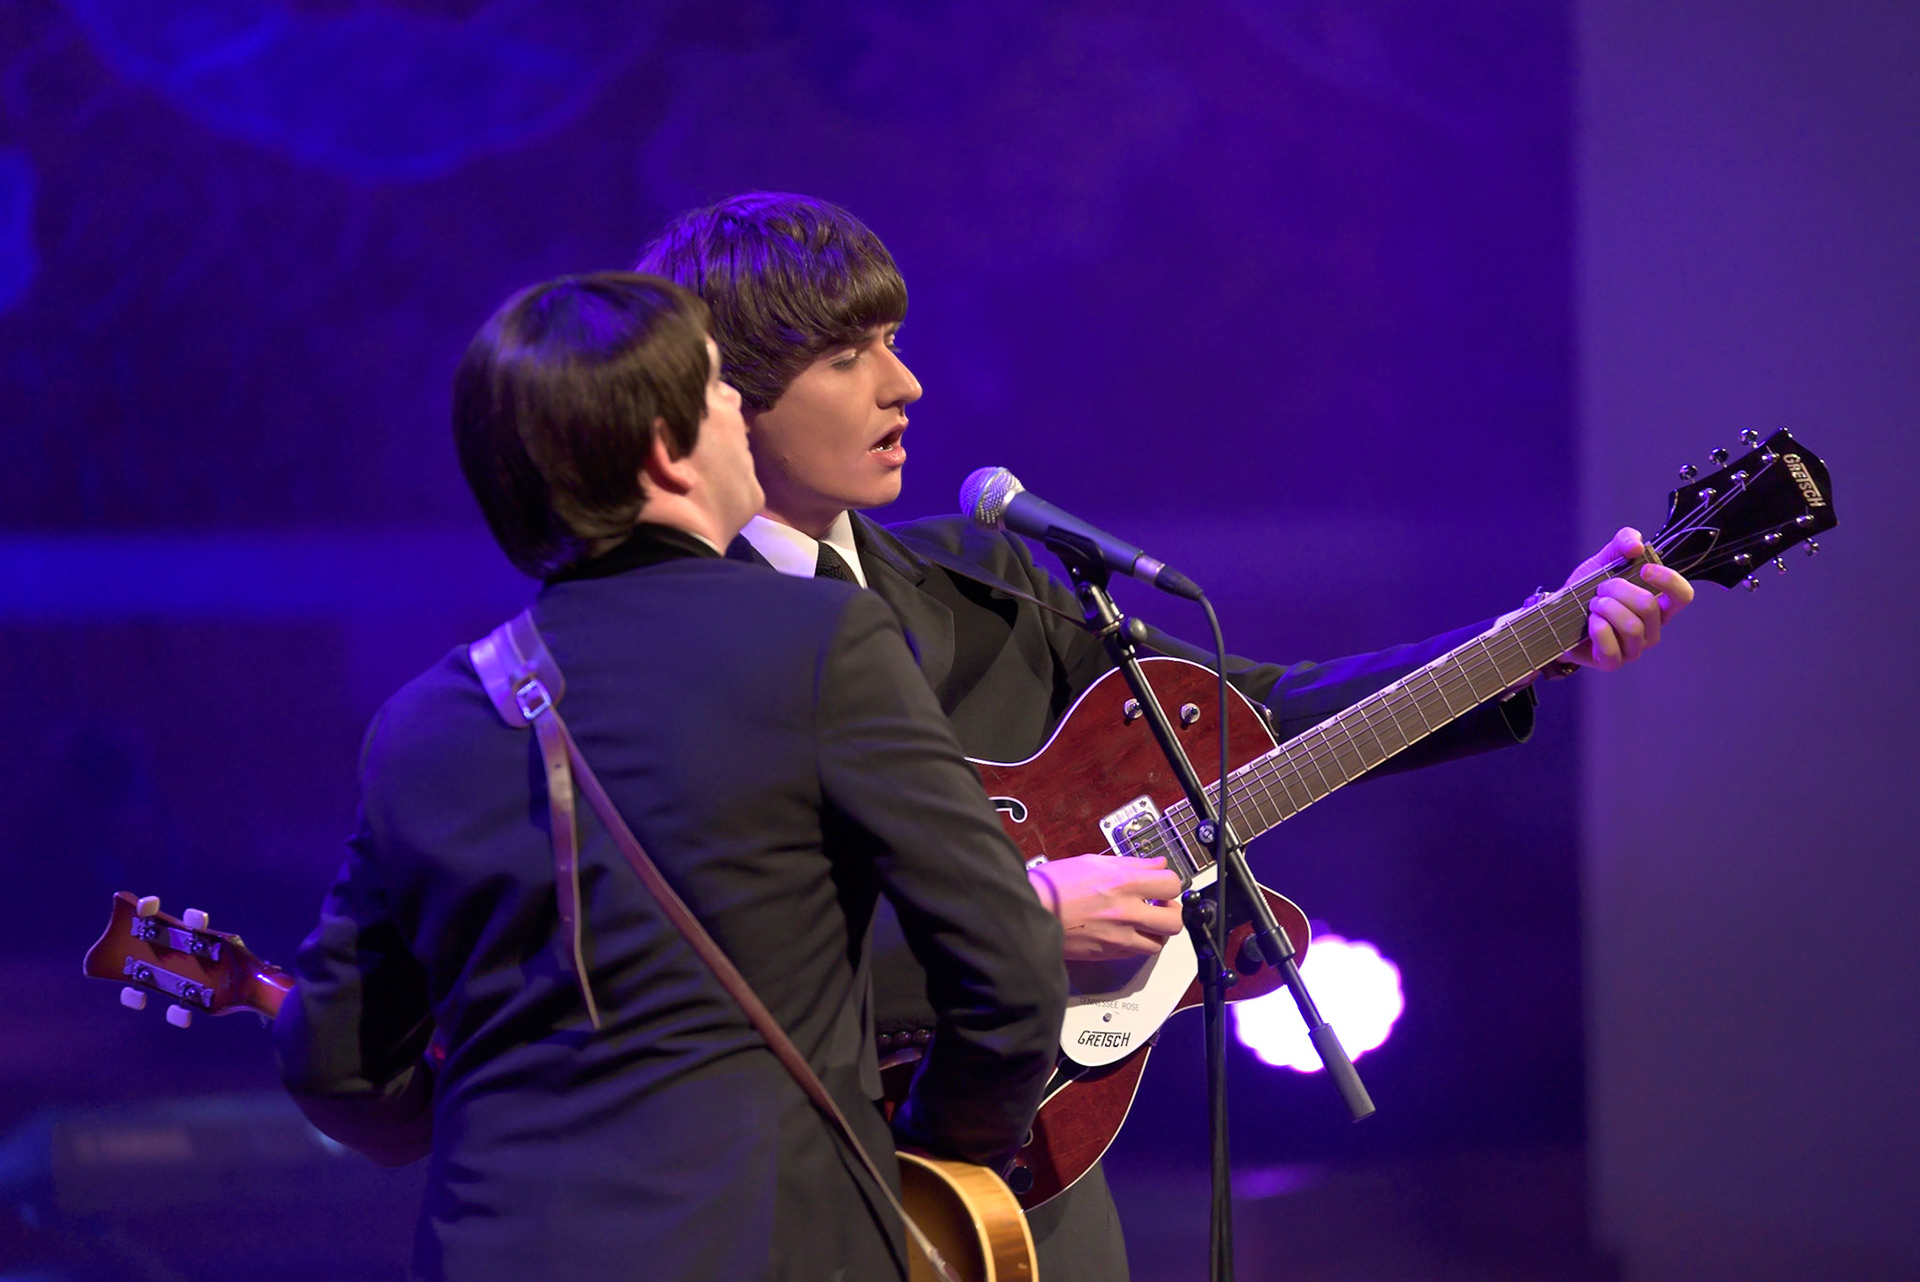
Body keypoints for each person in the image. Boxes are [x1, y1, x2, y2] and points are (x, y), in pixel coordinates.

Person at [636, 192, 1697, 1281]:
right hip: (780, 1198)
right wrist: (1021, 924)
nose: (903, 385)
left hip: (1029, 1191)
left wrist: (1529, 640)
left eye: (894, 344)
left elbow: (1257, 719)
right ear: (726, 391)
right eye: (847, 356)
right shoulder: (649, 641)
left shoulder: (981, 577)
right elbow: (674, 961)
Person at [273, 272, 1069, 1282]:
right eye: (718, 387)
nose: (741, 406)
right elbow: (1007, 967)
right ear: (664, 450)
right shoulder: (822, 646)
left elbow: (334, 1064)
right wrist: (936, 1162)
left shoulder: (418, 724)